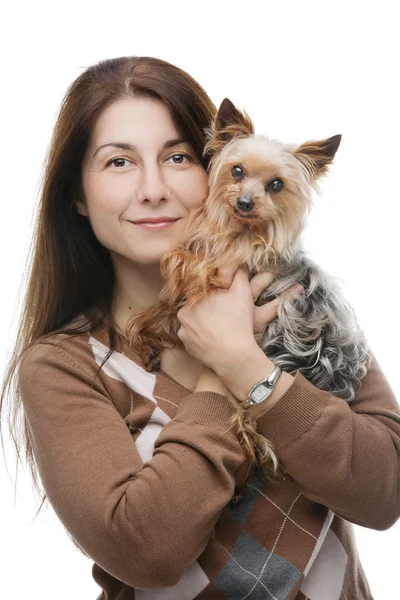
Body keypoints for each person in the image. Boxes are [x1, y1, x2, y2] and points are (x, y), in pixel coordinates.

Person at [1, 55, 399, 600]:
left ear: (209, 166)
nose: (153, 189)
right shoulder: (64, 365)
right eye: (119, 162)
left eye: (179, 157)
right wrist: (222, 370)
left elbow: (386, 493)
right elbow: (147, 551)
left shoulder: (305, 311)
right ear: (77, 194)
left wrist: (253, 367)